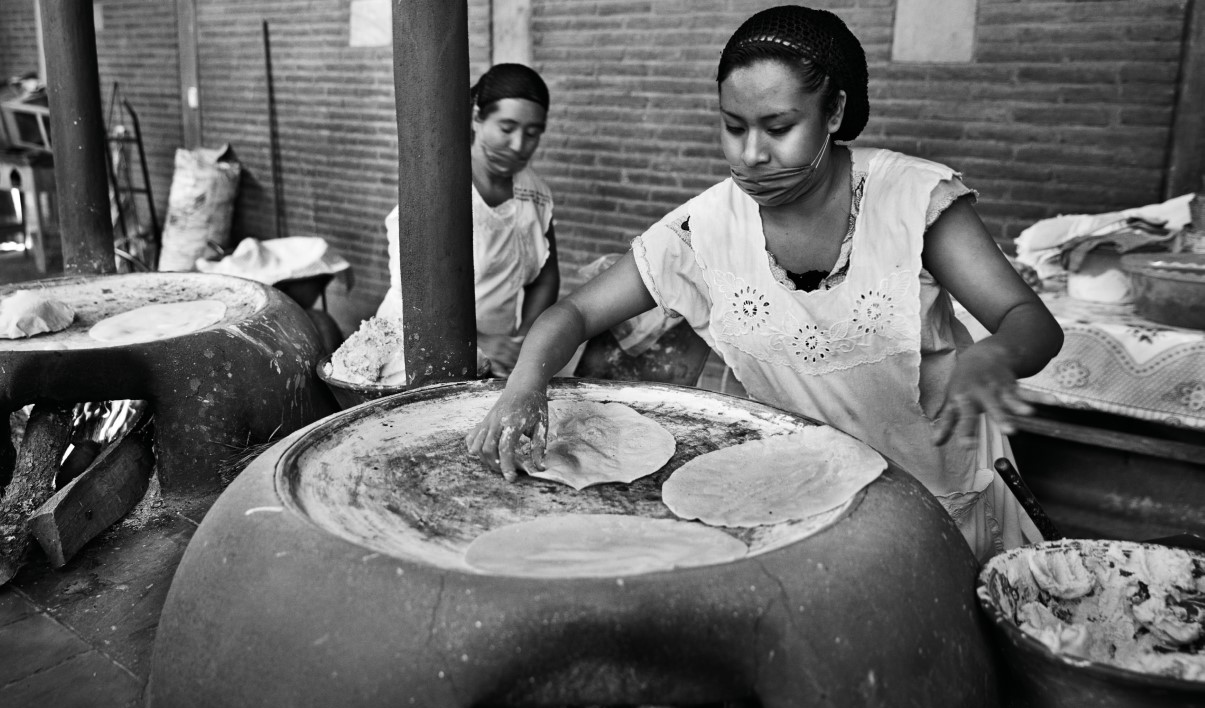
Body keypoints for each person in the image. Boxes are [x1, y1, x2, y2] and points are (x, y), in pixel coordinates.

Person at [465, 5, 1064, 563]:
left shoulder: (910, 200)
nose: (751, 154)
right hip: (807, 496)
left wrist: (994, 356)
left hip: (942, 489)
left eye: (778, 127)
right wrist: (525, 386)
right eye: (733, 127)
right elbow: (572, 315)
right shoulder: (706, 229)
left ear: (833, 113)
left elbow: (1030, 321)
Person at [376, 63, 560, 377]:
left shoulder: (534, 193)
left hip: (495, 360)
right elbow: (416, 302)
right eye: (506, 128)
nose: (519, 146)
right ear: (477, 116)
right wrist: (481, 341)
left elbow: (545, 275)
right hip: (413, 352)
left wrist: (526, 339)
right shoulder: (439, 188)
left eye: (532, 134)